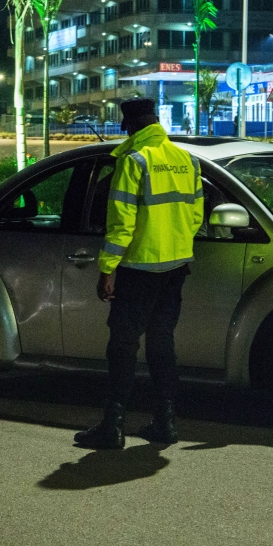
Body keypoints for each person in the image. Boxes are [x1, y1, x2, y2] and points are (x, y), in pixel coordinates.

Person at [74, 98, 204, 450]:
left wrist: (106, 269)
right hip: (176, 267)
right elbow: (195, 218)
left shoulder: (134, 161)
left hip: (138, 268)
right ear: (156, 122)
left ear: (128, 127)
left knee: (123, 346)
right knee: (162, 344)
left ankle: (112, 426)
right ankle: (165, 422)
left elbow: (121, 224)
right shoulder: (186, 160)